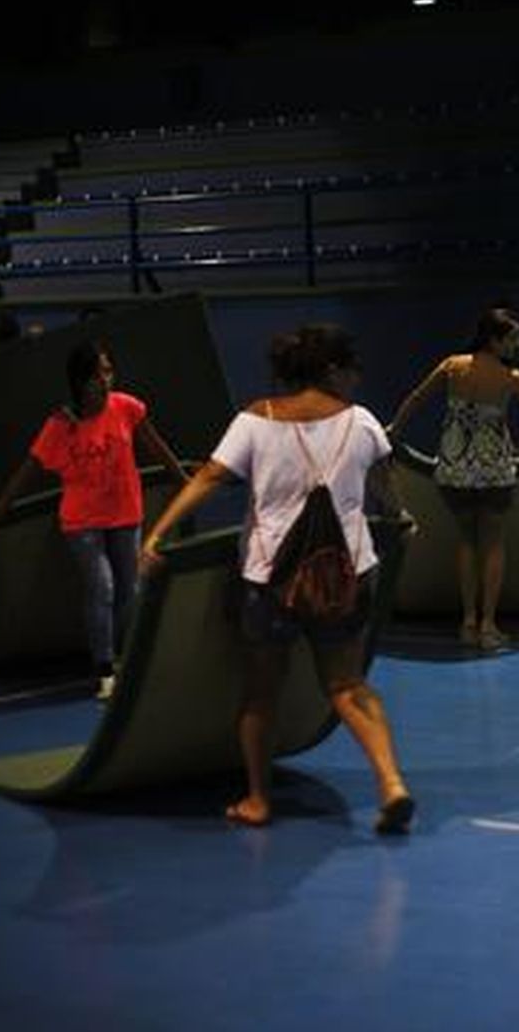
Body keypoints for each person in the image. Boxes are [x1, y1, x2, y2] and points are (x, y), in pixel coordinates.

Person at [139, 324, 417, 832]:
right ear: (332, 371)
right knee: (347, 686)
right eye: (351, 369)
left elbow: (208, 477)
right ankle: (391, 783)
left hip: (268, 582)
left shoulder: (255, 420)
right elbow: (385, 489)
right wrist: (402, 520)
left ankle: (258, 800)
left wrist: (157, 533)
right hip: (346, 576)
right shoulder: (364, 423)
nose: (355, 379)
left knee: (261, 694)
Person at [0, 341, 188, 698]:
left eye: (108, 372)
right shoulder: (61, 424)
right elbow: (27, 471)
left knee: (129, 588)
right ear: (79, 381)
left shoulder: (127, 407)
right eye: (95, 375)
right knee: (101, 587)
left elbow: (155, 444)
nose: (104, 381)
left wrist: (184, 481)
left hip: (125, 513)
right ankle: (104, 670)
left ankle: (129, 659)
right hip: (83, 521)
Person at [387, 305, 519, 650]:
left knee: (466, 540)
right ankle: (489, 625)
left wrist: (394, 429)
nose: (518, 345)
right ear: (494, 340)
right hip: (493, 469)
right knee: (492, 543)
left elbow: (417, 398)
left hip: (455, 464)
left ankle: (467, 622)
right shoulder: (512, 379)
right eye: (513, 338)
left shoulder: (452, 366)